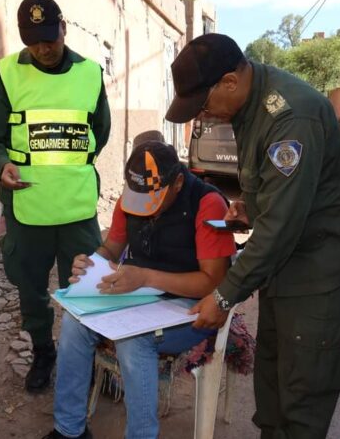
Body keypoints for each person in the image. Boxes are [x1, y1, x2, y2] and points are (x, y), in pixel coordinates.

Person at [165, 33, 340, 439]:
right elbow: (273, 191)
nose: (204, 114)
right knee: (274, 363)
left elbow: (281, 229)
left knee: (304, 377)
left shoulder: (291, 117)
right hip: (287, 254)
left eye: (204, 103)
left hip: (321, 260)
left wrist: (224, 296)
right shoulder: (248, 104)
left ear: (228, 81)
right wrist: (250, 208)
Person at [42, 141, 236, 439]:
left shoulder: (207, 203)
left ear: (178, 183)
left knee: (133, 341)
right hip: (138, 296)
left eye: (153, 199)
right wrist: (92, 264)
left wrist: (145, 277)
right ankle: (69, 430)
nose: (143, 206)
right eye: (137, 197)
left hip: (190, 307)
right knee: (73, 324)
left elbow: (213, 281)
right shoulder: (133, 197)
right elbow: (111, 247)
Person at [0, 0, 111, 392]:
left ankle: (83, 356)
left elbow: (97, 134)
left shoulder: (89, 74)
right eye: (34, 41)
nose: (43, 49)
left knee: (86, 287)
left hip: (77, 208)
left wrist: (67, 168)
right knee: (31, 289)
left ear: (63, 29)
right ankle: (43, 351)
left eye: (49, 38)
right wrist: (2, 165)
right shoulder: (8, 75)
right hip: (28, 207)